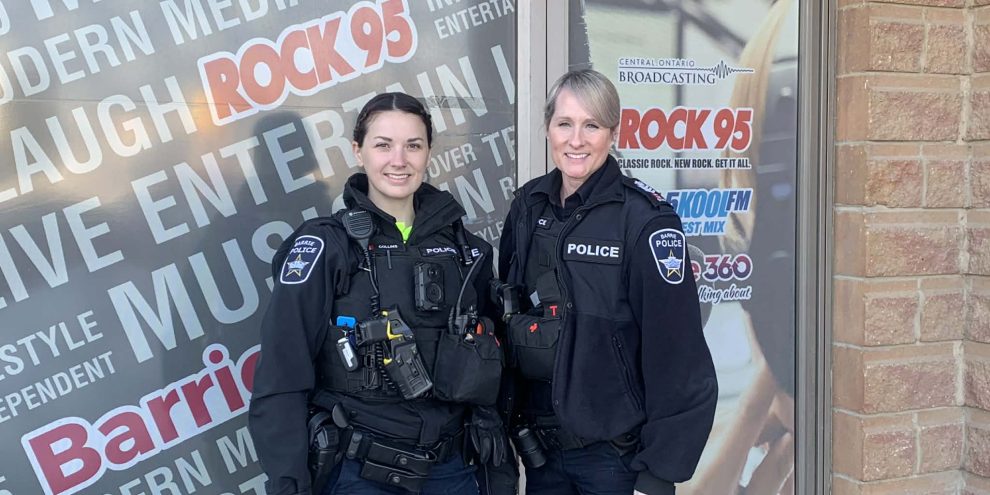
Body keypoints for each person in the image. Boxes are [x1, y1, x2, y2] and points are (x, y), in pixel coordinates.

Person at [249, 92, 512, 495]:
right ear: (358, 151)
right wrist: (289, 485)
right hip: (360, 473)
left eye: (413, 145)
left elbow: (493, 375)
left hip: (453, 471)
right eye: (383, 145)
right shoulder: (327, 248)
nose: (399, 160)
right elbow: (281, 376)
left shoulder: (467, 252)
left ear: (428, 152)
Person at [496, 69, 718, 495]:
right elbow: (510, 315)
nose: (576, 140)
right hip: (542, 455)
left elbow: (679, 354)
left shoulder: (646, 220)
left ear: (614, 133)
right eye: (565, 123)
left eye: (592, 125)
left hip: (616, 461)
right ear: (548, 129)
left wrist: (658, 473)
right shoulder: (528, 206)